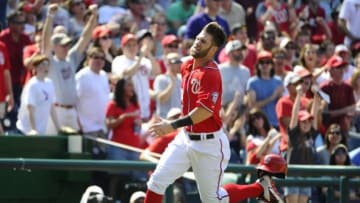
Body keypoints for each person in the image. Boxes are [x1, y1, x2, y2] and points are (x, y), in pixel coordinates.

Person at [144, 22, 283, 203]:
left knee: (213, 200)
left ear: (213, 50)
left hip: (209, 143)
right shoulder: (187, 66)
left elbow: (204, 112)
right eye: (198, 38)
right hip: (185, 138)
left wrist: (172, 125)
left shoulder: (210, 72)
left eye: (203, 41)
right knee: (156, 182)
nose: (197, 42)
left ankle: (259, 188)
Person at [16, 54, 60, 135]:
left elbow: (52, 108)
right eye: (43, 64)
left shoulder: (50, 83)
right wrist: (33, 130)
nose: (45, 67)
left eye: (47, 65)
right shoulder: (32, 85)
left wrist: (59, 129)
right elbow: (30, 109)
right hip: (26, 131)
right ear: (35, 68)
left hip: (41, 130)